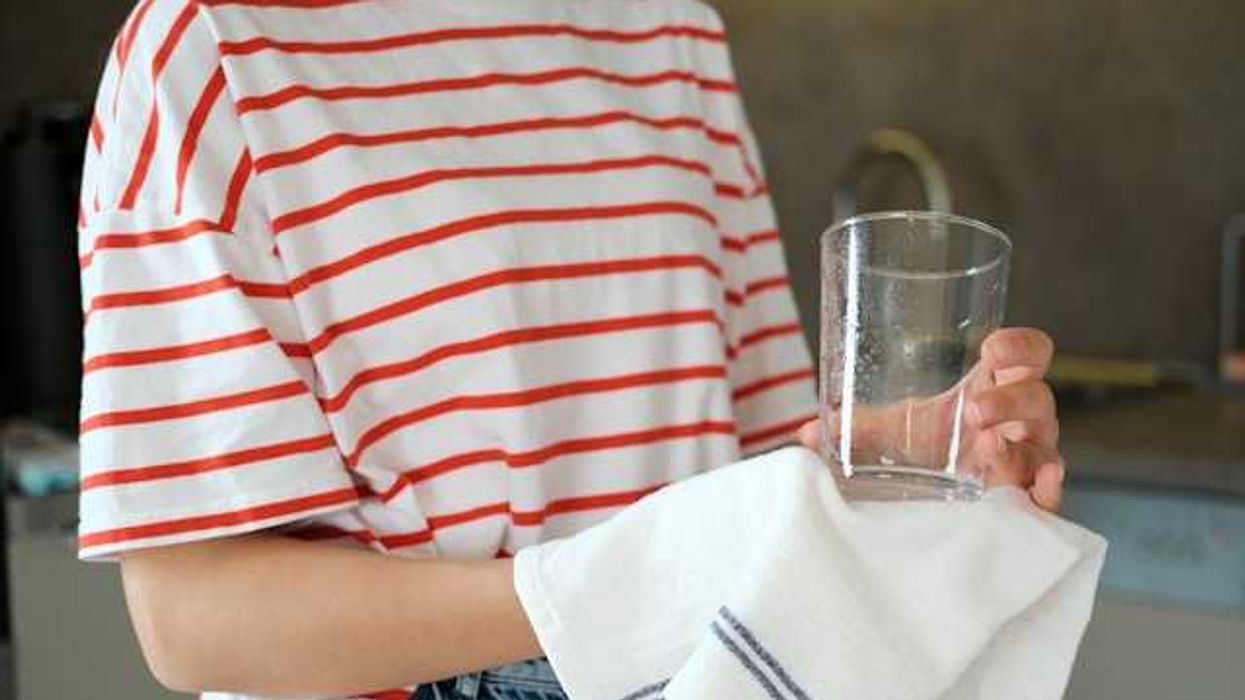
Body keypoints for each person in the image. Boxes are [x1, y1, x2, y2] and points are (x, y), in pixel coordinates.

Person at [76, 1, 1064, 698]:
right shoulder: (208, 52)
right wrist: (607, 591)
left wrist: (922, 448)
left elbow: (756, 483)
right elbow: (190, 614)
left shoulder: (664, 27)